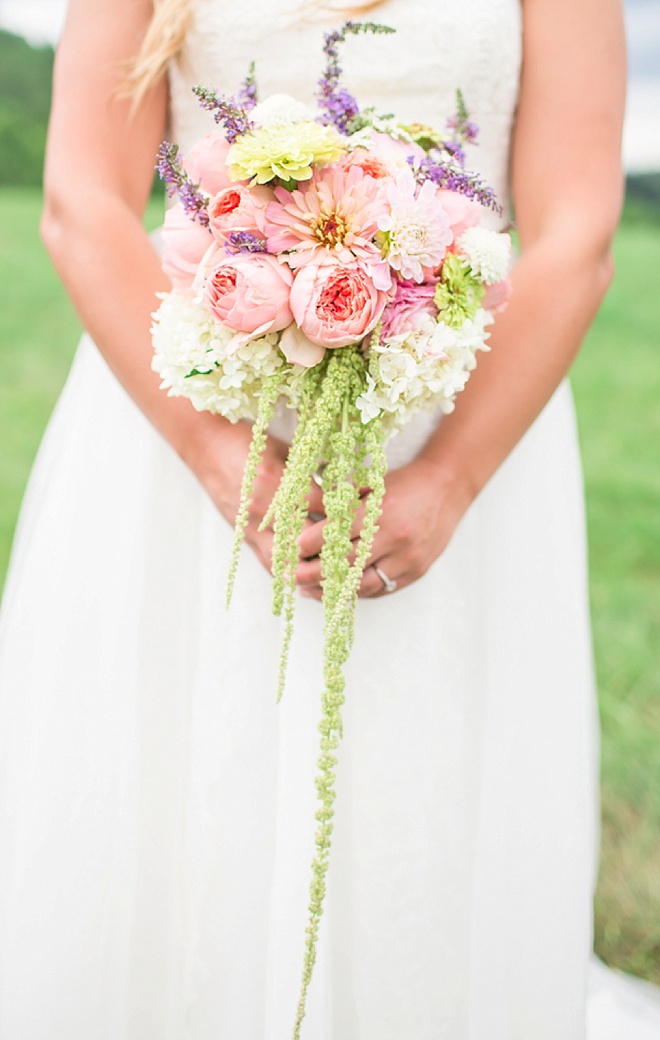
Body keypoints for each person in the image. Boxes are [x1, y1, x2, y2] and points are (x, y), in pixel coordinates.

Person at [1, 0, 658, 1037]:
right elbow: (82, 196)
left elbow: (574, 227)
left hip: (460, 410)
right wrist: (214, 456)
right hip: (187, 413)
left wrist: (451, 476)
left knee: (421, 803)